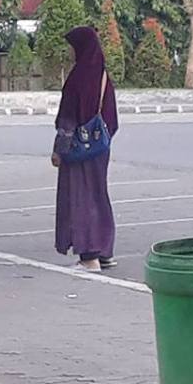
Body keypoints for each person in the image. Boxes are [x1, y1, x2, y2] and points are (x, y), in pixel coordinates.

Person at [51, 26, 119, 272]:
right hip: (100, 150)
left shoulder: (77, 78)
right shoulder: (102, 77)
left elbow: (67, 120)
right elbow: (112, 119)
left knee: (81, 199)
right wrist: (101, 140)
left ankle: (89, 257)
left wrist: (59, 150)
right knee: (99, 196)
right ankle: (104, 251)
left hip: (78, 151)